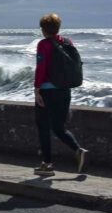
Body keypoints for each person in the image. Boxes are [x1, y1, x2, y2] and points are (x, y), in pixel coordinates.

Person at [34, 13, 88, 176]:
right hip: (65, 90)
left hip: (48, 91)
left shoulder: (43, 44)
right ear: (58, 28)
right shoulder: (67, 42)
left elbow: (41, 68)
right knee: (59, 128)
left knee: (43, 126)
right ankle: (78, 150)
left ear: (44, 29)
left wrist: (37, 89)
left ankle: (47, 164)